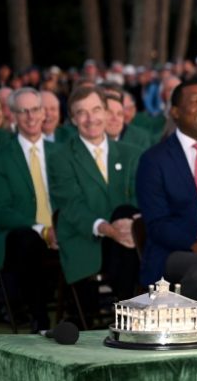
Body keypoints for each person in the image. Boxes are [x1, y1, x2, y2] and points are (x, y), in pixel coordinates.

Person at [50, 86, 142, 314]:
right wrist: (108, 229)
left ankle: (127, 308)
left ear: (106, 112)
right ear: (72, 119)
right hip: (85, 237)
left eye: (96, 109)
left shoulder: (131, 153)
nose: (91, 119)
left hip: (129, 238)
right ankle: (131, 310)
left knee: (126, 212)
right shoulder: (60, 157)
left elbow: (141, 197)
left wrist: (131, 224)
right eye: (82, 112)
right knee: (126, 227)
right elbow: (72, 206)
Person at [136, 80, 197, 302]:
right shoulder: (154, 160)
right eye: (196, 102)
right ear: (175, 112)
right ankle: (187, 329)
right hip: (173, 251)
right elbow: (157, 224)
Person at [0, 88, 59, 331]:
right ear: (12, 115)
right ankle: (39, 320)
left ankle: (86, 317)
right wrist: (42, 230)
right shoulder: (0, 158)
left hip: (63, 231)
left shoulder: (61, 152)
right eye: (23, 111)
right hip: (19, 236)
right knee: (28, 240)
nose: (30, 117)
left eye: (35, 110)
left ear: (43, 113)